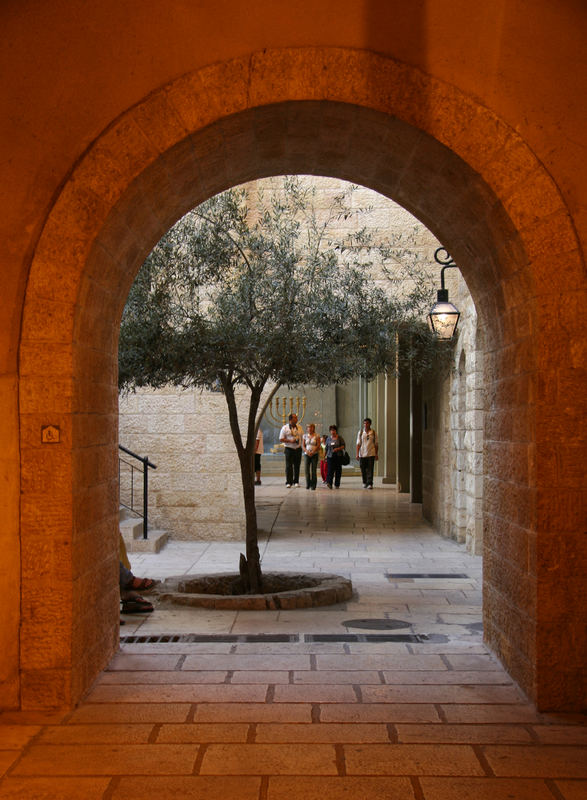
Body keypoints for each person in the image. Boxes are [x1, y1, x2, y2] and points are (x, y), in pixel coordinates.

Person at [279, 412, 304, 487]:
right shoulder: (285, 428)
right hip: (289, 449)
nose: (297, 419)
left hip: (298, 449)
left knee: (297, 466)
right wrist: (290, 441)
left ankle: (296, 481)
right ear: (290, 420)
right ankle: (288, 482)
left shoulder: (299, 427)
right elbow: (281, 439)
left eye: (296, 418)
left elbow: (303, 437)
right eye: (295, 418)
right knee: (289, 466)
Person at [356, 417, 378, 489]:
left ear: (370, 424)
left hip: (371, 453)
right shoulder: (361, 432)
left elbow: (376, 444)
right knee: (363, 469)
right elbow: (358, 444)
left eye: (367, 423)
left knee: (370, 469)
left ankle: (370, 483)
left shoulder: (373, 432)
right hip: (362, 453)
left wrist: (376, 454)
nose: (366, 424)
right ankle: (364, 482)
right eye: (364, 423)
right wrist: (357, 454)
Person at [325, 424, 346, 489]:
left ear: (336, 431)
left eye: (334, 430)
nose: (332, 431)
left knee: (338, 470)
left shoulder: (340, 438)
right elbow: (326, 448)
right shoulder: (328, 438)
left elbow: (343, 446)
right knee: (330, 470)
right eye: (331, 430)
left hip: (338, 456)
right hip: (330, 456)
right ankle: (329, 483)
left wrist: (338, 449)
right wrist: (324, 456)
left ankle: (337, 484)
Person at [302, 422, 320, 490]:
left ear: (313, 428)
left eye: (311, 427)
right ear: (307, 429)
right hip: (307, 454)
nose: (310, 429)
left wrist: (313, 451)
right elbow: (303, 445)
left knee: (313, 470)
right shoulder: (304, 436)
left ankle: (313, 485)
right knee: (306, 470)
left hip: (314, 454)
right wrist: (306, 451)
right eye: (308, 427)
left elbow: (318, 445)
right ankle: (308, 484)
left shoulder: (317, 435)